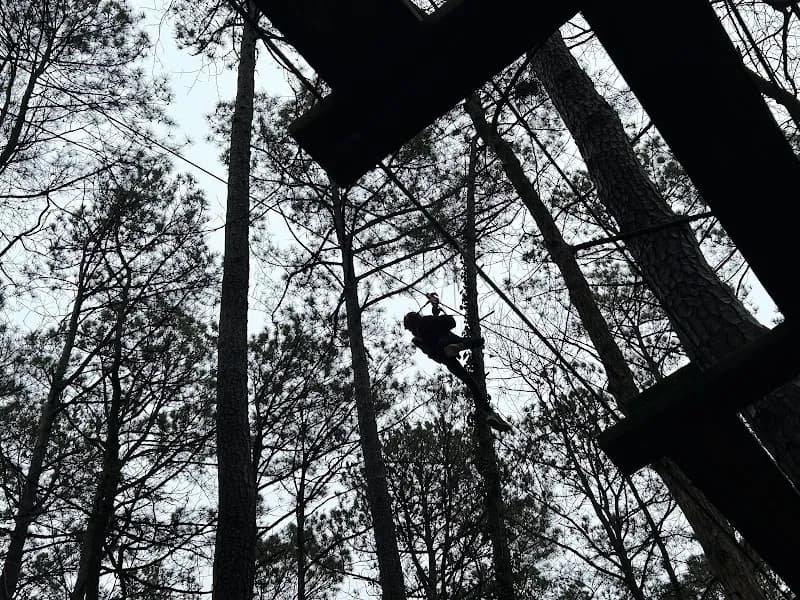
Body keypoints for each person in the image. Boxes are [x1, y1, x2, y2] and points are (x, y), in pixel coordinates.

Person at [403, 305, 512, 432]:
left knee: (470, 382)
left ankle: (489, 413)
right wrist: (438, 315)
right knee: (478, 341)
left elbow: (431, 354)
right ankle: (459, 346)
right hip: (447, 341)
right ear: (417, 317)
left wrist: (436, 314)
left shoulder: (417, 340)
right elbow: (450, 322)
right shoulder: (426, 321)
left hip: (444, 357)